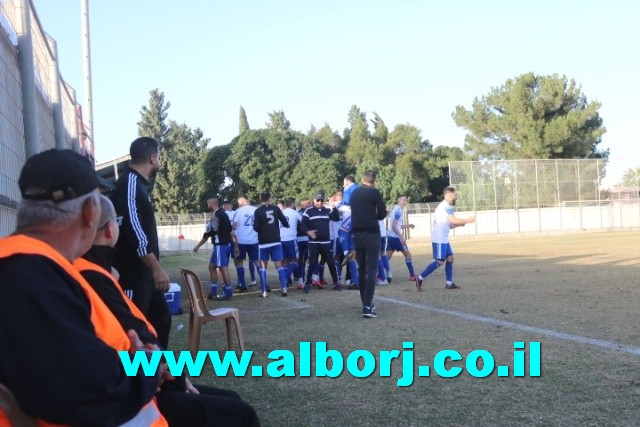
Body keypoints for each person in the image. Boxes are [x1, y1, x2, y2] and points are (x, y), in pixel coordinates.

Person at [0, 149, 167, 426]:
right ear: (91, 214)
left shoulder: (33, 268)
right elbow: (94, 393)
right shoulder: (28, 277)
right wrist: (145, 366)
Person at [76, 196, 261, 426]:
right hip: (134, 394)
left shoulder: (93, 273)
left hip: (139, 380)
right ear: (109, 229)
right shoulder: (92, 277)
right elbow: (134, 339)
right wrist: (174, 378)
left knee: (233, 402)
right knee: (240, 413)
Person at [110, 136, 172, 349]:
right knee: (132, 329)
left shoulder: (140, 186)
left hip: (145, 274)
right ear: (153, 158)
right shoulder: (130, 184)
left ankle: (161, 377)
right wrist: (156, 269)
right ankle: (132, 379)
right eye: (159, 157)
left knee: (162, 320)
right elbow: (135, 231)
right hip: (132, 275)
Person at [416, 186, 475, 291]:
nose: (456, 197)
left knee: (450, 259)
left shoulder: (448, 207)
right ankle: (419, 278)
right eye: (454, 195)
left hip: (443, 238)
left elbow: (451, 224)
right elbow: (454, 220)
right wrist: (467, 220)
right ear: (448, 195)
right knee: (439, 261)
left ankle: (449, 283)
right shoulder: (444, 207)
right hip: (439, 238)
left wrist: (459, 224)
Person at [350, 170, 387, 318]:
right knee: (372, 270)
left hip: (356, 234)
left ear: (362, 179)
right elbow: (383, 213)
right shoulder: (374, 192)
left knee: (362, 269)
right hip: (371, 233)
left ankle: (365, 302)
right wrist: (375, 215)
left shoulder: (354, 193)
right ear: (374, 181)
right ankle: (367, 306)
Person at [193, 197, 235, 300]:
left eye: (208, 204)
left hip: (221, 245)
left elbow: (215, 230)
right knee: (212, 267)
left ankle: (228, 293)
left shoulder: (217, 214)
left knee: (223, 268)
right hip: (222, 245)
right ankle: (213, 292)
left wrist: (206, 234)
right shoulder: (223, 213)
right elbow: (229, 228)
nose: (207, 206)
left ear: (212, 204)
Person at [302, 191, 341, 292]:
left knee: (331, 263)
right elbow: (302, 225)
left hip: (326, 242)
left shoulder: (327, 210)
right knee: (311, 263)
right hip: (313, 243)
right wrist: (308, 232)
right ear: (314, 200)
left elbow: (336, 218)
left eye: (322, 200)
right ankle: (307, 284)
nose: (320, 202)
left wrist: (333, 207)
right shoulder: (308, 211)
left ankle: (336, 283)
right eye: (318, 200)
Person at [253, 192, 290, 297]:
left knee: (263, 266)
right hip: (276, 241)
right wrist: (287, 225)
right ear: (269, 199)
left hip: (263, 242)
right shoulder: (276, 209)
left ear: (261, 199)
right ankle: (284, 288)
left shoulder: (258, 211)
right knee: (279, 265)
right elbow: (284, 221)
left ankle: (264, 291)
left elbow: (255, 227)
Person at [232, 195, 261, 292]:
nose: (239, 205)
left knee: (239, 262)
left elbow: (234, 226)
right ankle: (264, 283)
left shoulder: (238, 211)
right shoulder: (256, 210)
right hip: (254, 240)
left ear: (243, 201)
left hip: (241, 241)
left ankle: (243, 284)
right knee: (257, 261)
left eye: (239, 203)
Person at [386, 195, 417, 281]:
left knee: (386, 258)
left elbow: (398, 225)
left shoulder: (397, 210)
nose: (405, 201)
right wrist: (401, 237)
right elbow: (394, 226)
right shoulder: (398, 211)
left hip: (391, 237)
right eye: (403, 200)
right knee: (408, 254)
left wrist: (408, 225)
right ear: (398, 200)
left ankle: (378, 274)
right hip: (396, 238)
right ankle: (412, 275)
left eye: (406, 200)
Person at [280, 198, 301, 286]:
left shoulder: (281, 213)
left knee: (285, 261)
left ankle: (285, 282)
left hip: (280, 239)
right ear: (292, 204)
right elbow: (303, 221)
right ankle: (284, 277)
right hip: (291, 238)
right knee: (296, 260)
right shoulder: (295, 213)